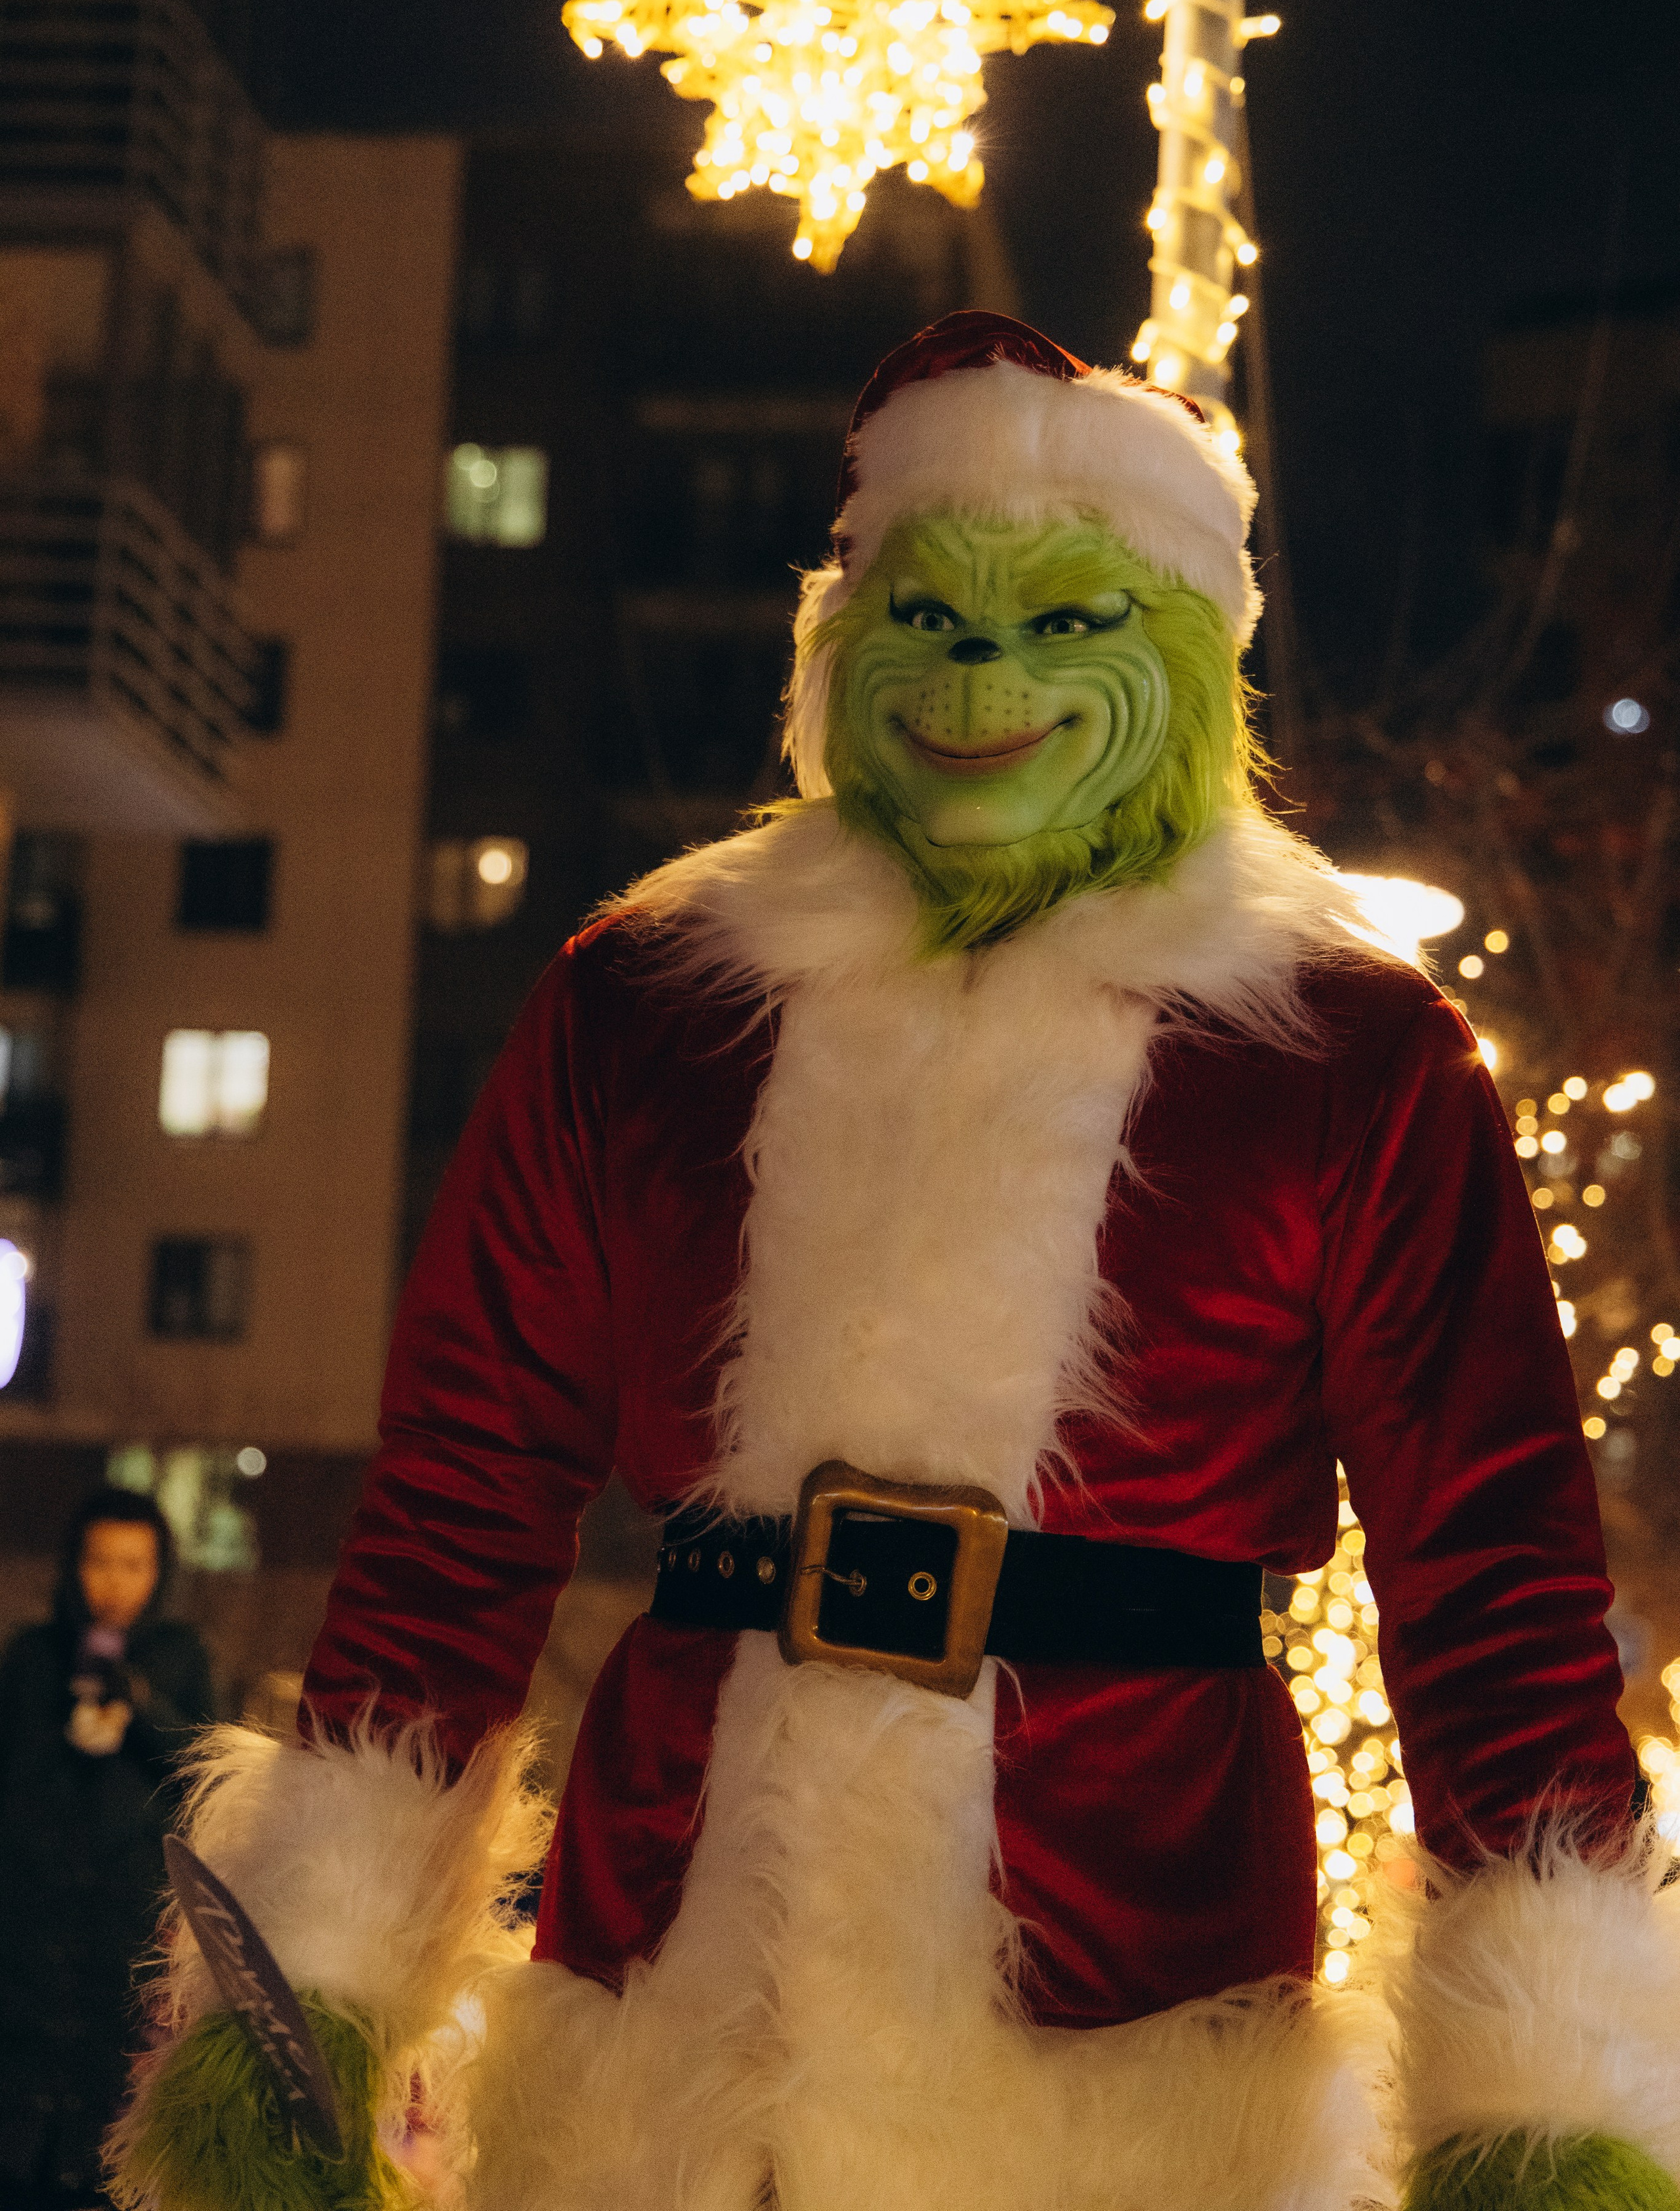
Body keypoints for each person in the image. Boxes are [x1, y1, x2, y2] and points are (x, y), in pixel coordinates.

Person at [113, 314, 1678, 2211]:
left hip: (1131, 2021)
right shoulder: (647, 1006)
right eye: (934, 622)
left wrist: (1551, 2109)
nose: (982, 686)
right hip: (678, 2015)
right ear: (841, 648)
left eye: (1066, 628)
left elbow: (1494, 1571)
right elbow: (459, 1497)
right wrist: (316, 1983)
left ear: (1183, 660)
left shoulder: (1346, 1051)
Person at [0, 1488, 213, 2210]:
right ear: (73, 1567)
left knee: (105, 2100)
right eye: (100, 1562)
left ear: (159, 1572)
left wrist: (141, 1705)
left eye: (133, 1564)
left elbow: (201, 1772)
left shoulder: (180, 1656)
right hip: (29, 1912)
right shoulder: (34, 1654)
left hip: (124, 1919)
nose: (114, 1582)